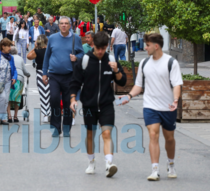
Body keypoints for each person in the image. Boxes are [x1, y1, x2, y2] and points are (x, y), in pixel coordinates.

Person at [120, 33, 183, 181]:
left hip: (168, 107)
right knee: (153, 134)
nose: (145, 47)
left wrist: (175, 100)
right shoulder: (144, 63)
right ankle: (155, 170)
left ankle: (171, 163)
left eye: (147, 45)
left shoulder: (171, 62)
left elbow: (177, 84)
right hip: (150, 106)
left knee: (169, 138)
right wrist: (129, 96)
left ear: (156, 46)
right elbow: (138, 85)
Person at [70, 31, 127, 178]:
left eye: (103, 48)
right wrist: (72, 99)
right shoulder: (85, 60)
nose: (101, 51)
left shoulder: (112, 60)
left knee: (106, 133)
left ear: (107, 46)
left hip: (107, 104)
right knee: (91, 134)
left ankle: (109, 164)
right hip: (89, 105)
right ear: (93, 45)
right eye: (98, 48)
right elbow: (75, 82)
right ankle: (91, 162)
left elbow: (122, 81)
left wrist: (116, 70)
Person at [42, 16, 84, 137]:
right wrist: (44, 73)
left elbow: (82, 53)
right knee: (54, 99)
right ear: (58, 25)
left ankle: (66, 128)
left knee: (67, 103)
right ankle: (56, 128)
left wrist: (76, 58)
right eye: (62, 23)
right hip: (54, 75)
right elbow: (47, 56)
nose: (64, 25)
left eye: (66, 23)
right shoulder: (52, 38)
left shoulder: (76, 38)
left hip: (70, 76)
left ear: (70, 25)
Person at [27, 35, 50, 122]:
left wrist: (34, 47)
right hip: (50, 72)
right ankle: (50, 112)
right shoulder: (49, 50)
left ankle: (45, 114)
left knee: (43, 95)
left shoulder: (37, 51)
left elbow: (29, 57)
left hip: (40, 73)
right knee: (50, 94)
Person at [7, 46, 31, 123]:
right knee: (17, 98)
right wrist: (28, 74)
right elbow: (24, 70)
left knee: (9, 98)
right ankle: (15, 116)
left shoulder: (8, 57)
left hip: (10, 78)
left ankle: (9, 116)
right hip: (19, 78)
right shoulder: (20, 58)